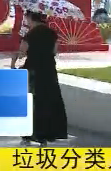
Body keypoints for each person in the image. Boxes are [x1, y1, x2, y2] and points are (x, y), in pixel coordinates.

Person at [10, 11, 68, 146]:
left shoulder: (30, 34)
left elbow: (22, 53)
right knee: (48, 100)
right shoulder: (52, 33)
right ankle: (46, 135)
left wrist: (13, 61)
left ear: (31, 17)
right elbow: (54, 52)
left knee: (31, 102)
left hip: (33, 70)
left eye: (26, 18)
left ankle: (29, 135)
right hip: (49, 70)